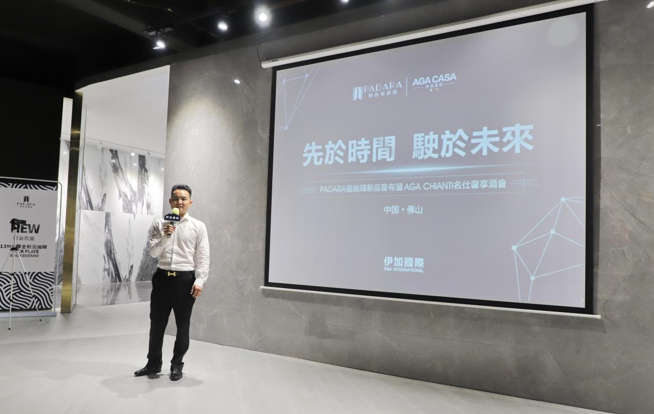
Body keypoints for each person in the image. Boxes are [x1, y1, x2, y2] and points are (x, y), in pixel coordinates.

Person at [134, 184, 210, 381]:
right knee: (156, 324)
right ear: (170, 201)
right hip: (162, 279)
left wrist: (200, 280)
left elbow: (203, 256)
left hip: (185, 280)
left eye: (183, 199)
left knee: (182, 325)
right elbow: (153, 253)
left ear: (190, 202)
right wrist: (166, 236)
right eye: (175, 198)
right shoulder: (159, 224)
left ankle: (177, 365)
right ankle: (153, 364)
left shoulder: (198, 226)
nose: (179, 202)